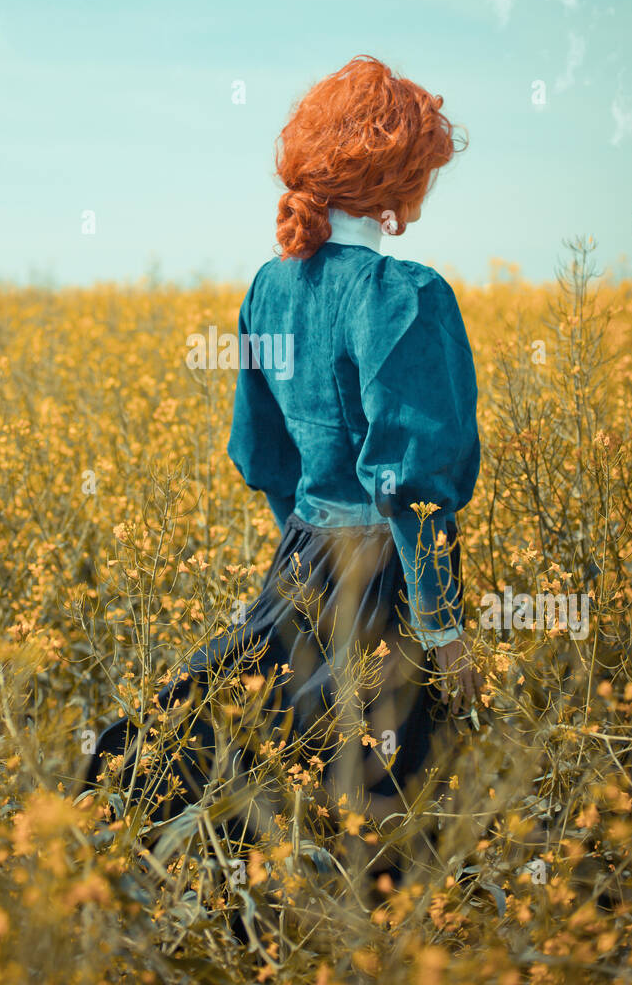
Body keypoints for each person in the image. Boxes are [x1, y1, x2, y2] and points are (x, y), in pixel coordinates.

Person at [86, 54, 481, 880]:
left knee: (264, 741)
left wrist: (304, 563)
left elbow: (261, 455)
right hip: (386, 573)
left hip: (300, 559)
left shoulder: (270, 286)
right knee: (395, 797)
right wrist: (442, 629)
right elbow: (409, 486)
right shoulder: (402, 295)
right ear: (401, 174)